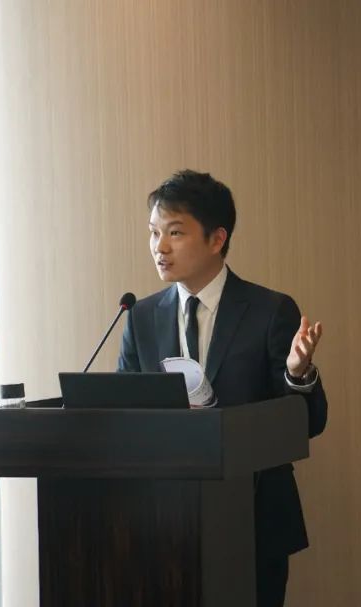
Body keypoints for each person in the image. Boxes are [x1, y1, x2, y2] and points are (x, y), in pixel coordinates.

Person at [117, 169, 328, 607]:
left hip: (252, 522)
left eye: (175, 232)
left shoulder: (270, 311)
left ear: (217, 239)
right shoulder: (140, 318)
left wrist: (297, 375)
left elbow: (308, 423)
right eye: (154, 232)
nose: (159, 247)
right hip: (163, 524)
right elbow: (124, 415)